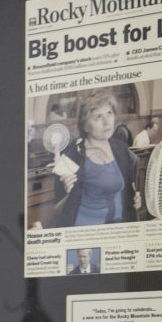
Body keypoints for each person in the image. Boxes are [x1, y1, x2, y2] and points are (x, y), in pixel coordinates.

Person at [49, 91, 139, 227]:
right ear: (85, 125)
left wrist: (134, 198)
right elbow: (55, 213)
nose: (107, 121)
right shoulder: (71, 157)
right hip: (86, 234)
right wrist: (69, 195)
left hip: (118, 228)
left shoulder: (120, 148)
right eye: (98, 117)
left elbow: (127, 188)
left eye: (109, 113)